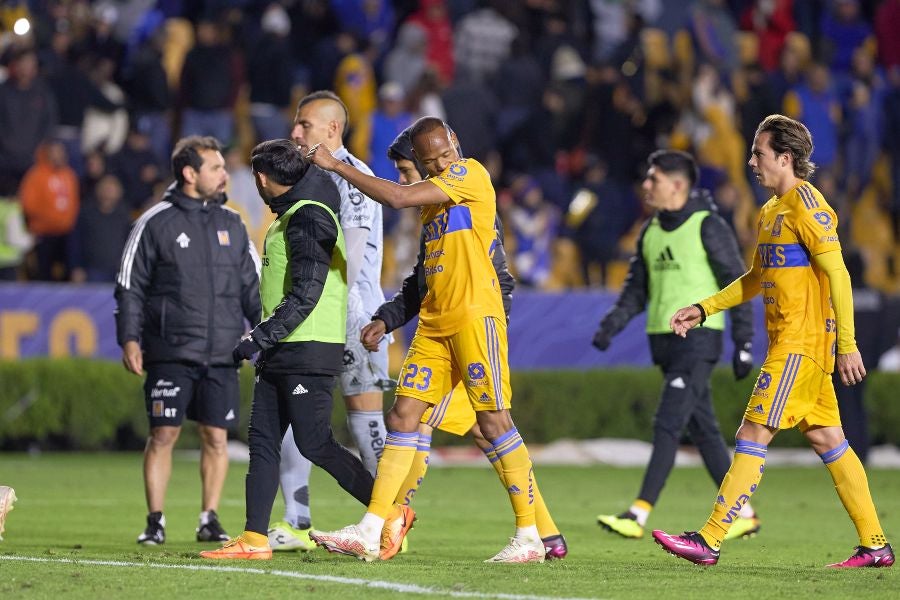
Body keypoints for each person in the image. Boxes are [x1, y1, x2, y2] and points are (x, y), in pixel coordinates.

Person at [654, 114, 894, 568]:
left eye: (758, 154)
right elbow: (755, 280)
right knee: (829, 441)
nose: (751, 162)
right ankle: (875, 544)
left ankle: (709, 539)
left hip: (800, 347)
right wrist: (703, 308)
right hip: (794, 347)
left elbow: (838, 275)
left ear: (785, 158)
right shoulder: (770, 211)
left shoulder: (808, 205)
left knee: (753, 431)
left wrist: (848, 343)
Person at [307, 116, 547, 563]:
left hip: (476, 317)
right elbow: (423, 277)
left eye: (444, 155)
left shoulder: (470, 173)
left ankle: (531, 535)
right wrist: (388, 318)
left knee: (493, 424)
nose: (440, 164)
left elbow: (396, 196)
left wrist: (338, 167)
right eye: (430, 160)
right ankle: (373, 527)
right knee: (403, 416)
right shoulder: (433, 206)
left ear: (455, 144)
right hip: (435, 324)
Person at [592, 150, 760, 541]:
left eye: (654, 179)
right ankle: (745, 512)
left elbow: (737, 284)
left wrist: (744, 341)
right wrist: (611, 325)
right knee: (704, 431)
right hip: (664, 345)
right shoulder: (650, 231)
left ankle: (637, 512)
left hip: (699, 340)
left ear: (678, 185)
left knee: (667, 423)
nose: (646, 186)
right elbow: (636, 291)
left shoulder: (708, 225)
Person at [115, 135, 261, 546]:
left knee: (217, 437)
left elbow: (252, 287)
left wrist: (266, 333)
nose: (224, 174)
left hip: (222, 352)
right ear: (189, 173)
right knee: (164, 433)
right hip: (171, 349)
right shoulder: (154, 221)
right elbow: (129, 286)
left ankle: (209, 518)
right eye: (215, 168)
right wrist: (129, 338)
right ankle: (155, 520)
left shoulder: (233, 223)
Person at [266, 90, 390, 552]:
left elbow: (351, 259)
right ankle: (297, 522)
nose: (295, 132)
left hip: (354, 318)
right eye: (295, 125)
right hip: (313, 314)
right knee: (301, 419)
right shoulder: (302, 177)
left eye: (305, 125)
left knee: (364, 421)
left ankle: (385, 521)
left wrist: (311, 302)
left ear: (332, 130)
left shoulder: (354, 177)